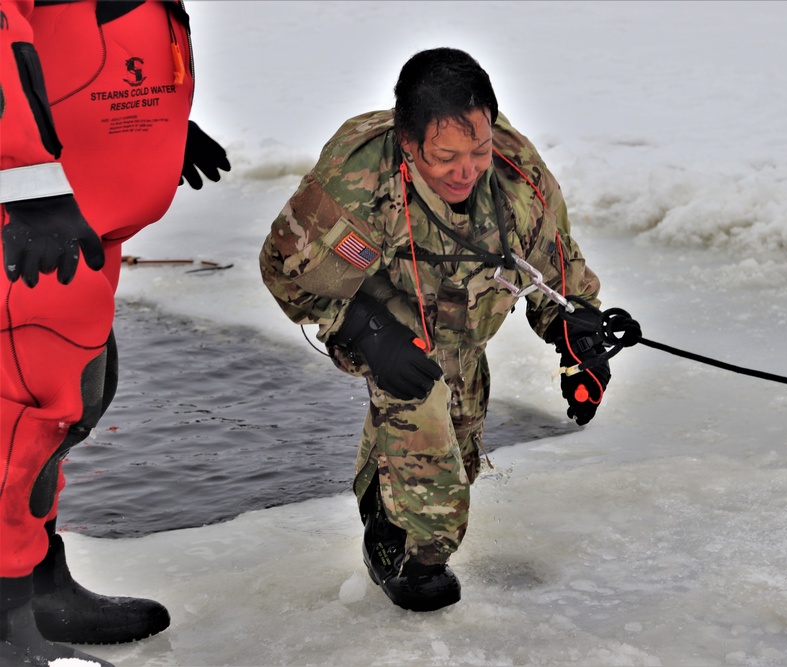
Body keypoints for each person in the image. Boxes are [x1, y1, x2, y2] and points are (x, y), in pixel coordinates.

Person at [260, 47, 627, 612]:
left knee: (461, 450)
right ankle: (409, 550)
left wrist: (578, 341)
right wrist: (369, 331)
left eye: (478, 149)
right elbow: (285, 272)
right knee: (430, 480)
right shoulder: (357, 185)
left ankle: (383, 497)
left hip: (467, 316)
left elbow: (558, 274)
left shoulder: (518, 176)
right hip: (384, 299)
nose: (466, 170)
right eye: (445, 156)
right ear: (409, 145)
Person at [0, 1, 230, 664]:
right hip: (33, 218)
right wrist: (24, 179)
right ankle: (5, 616)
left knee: (68, 402)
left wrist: (158, 127)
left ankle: (39, 582)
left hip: (80, 210)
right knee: (21, 415)